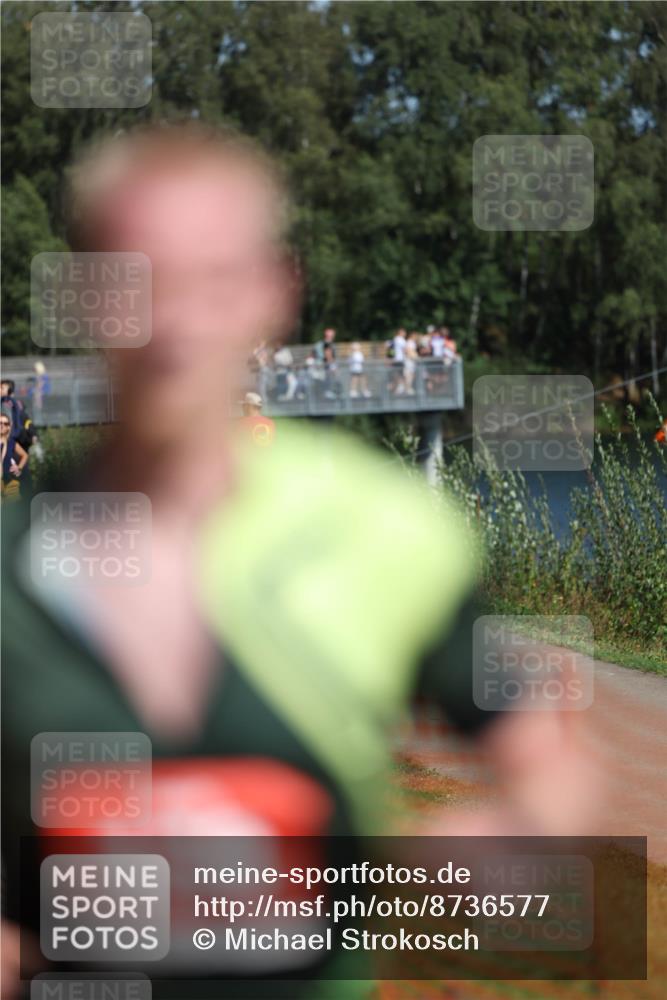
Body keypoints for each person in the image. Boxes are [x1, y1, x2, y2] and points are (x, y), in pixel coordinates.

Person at [2, 122, 602, 1000]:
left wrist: (505, 840)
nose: (173, 326)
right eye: (139, 283)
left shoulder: (385, 532)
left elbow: (550, 763)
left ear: (272, 292)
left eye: (210, 281)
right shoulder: (13, 577)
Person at [0, 413, 28, 502]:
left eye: (5, 424)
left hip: (10, 484)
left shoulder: (11, 443)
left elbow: (25, 455)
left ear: (9, 427)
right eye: (0, 423)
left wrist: (18, 468)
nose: (2, 426)